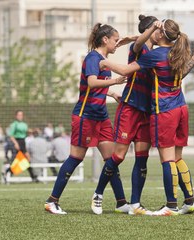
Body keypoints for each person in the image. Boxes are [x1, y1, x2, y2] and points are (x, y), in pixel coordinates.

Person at [101, 19, 194, 216]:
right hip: (181, 107)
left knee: (167, 160)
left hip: (164, 110)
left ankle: (171, 205)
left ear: (159, 34)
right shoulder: (179, 52)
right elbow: (182, 73)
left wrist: (104, 61)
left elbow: (125, 70)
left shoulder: (156, 55)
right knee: (177, 157)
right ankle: (190, 201)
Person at [44, 23, 127, 215]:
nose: (117, 44)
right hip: (85, 116)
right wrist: (114, 81)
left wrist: (112, 93)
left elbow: (98, 86)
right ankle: (52, 201)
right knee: (76, 157)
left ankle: (121, 202)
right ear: (105, 40)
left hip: (101, 116)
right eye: (115, 40)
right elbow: (91, 82)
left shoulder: (103, 58)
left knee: (111, 159)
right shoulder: (93, 57)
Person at [91, 14, 157, 216]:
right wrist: (152, 28)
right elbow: (138, 43)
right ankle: (98, 194)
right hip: (129, 108)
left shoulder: (156, 53)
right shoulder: (138, 48)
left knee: (142, 158)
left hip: (146, 112)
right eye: (157, 29)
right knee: (118, 156)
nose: (160, 32)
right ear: (150, 30)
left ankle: (135, 204)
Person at [6, 110, 38, 182]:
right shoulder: (14, 124)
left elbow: (27, 131)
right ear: (16, 116)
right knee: (16, 161)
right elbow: (11, 136)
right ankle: (7, 173)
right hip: (17, 142)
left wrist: (33, 131)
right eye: (19, 115)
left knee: (27, 160)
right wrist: (16, 143)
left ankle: (8, 172)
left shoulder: (24, 124)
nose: (20, 116)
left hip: (23, 142)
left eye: (21, 115)